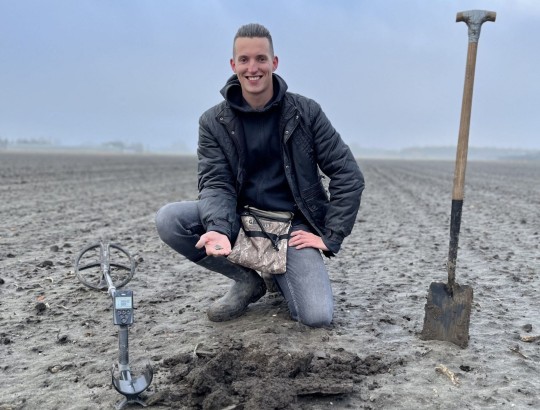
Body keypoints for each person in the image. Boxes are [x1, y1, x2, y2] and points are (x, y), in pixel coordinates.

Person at [156, 23, 364, 327]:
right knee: (170, 219)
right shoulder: (213, 122)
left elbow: (348, 175)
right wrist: (217, 228)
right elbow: (216, 183)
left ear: (274, 63)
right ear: (233, 65)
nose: (253, 68)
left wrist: (330, 236)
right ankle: (247, 282)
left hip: (292, 229)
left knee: (316, 316)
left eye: (260, 59)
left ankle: (277, 272)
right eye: (244, 60)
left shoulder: (306, 113)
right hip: (240, 219)